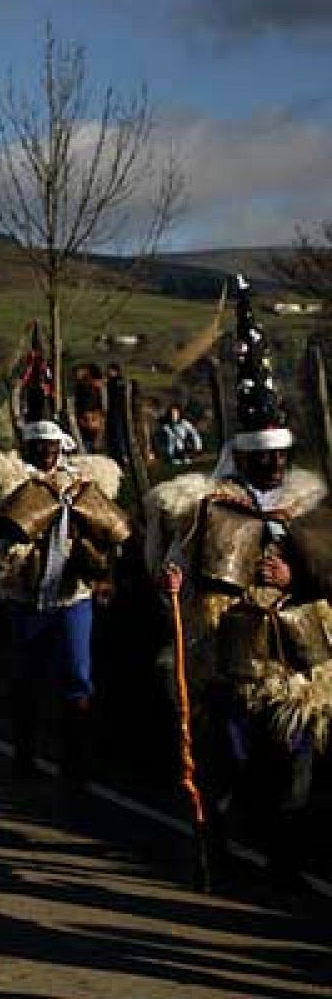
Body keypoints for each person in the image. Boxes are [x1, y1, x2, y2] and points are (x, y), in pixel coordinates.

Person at [146, 276, 330, 885]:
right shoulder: (211, 507)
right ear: (245, 455)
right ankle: (219, 846)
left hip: (298, 658)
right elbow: (174, 560)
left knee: (296, 759)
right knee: (231, 758)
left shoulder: (307, 506)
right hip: (230, 655)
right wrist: (173, 579)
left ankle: (288, 860)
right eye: (264, 457)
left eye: (280, 455)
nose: (275, 465)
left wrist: (295, 572)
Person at [0, 414, 129, 785]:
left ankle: (77, 762)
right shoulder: (9, 487)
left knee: (77, 675)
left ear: (61, 447)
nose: (46, 452)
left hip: (74, 595)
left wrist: (105, 576)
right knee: (28, 676)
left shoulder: (81, 483)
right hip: (26, 597)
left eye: (52, 446)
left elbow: (111, 533)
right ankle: (25, 754)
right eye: (39, 446)